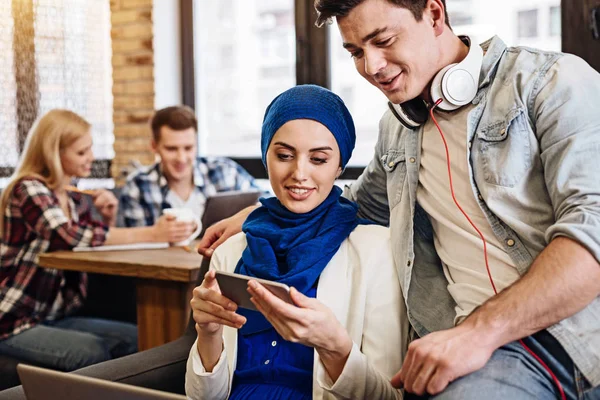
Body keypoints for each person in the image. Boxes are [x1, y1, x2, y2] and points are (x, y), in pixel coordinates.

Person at [197, 0, 600, 398]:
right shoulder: (398, 128)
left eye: (384, 40)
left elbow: (592, 236)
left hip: (563, 337)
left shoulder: (552, 82)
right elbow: (353, 204)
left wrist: (476, 334)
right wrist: (257, 212)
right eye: (356, 51)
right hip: (456, 344)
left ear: (435, 14)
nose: (371, 67)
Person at [185, 85, 409, 399]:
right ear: (266, 157)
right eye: (284, 156)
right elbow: (203, 397)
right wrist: (207, 333)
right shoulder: (232, 250)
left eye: (318, 159)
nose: (298, 173)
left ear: (339, 167)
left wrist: (335, 347)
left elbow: (389, 396)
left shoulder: (376, 251)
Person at [0, 109, 198, 371]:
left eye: (90, 149)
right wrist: (153, 233)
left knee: (142, 340)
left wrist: (109, 219)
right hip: (13, 320)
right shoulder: (28, 189)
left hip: (55, 315)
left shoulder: (74, 199)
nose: (91, 158)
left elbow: (93, 246)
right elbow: (67, 236)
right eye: (82, 152)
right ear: (54, 154)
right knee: (93, 352)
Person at [119, 105, 260, 228]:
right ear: (154, 146)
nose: (181, 158)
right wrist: (155, 235)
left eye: (188, 148)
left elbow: (268, 208)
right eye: (171, 149)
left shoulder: (225, 173)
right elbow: (138, 251)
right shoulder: (137, 187)